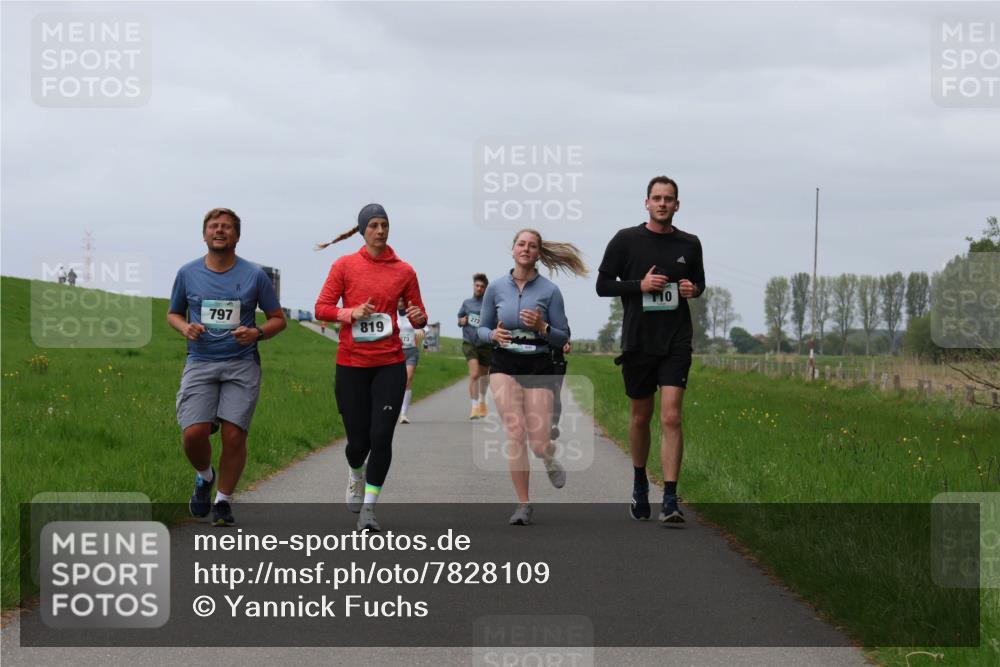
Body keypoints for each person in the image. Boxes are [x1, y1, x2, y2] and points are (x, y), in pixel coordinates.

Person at [596, 176, 705, 525]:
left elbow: (699, 284)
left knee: (672, 416)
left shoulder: (690, 243)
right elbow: (602, 286)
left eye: (668, 198)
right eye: (656, 198)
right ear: (646, 203)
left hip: (676, 340)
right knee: (641, 417)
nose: (662, 203)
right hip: (639, 341)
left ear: (677, 204)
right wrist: (639, 285)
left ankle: (670, 497)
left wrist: (692, 288)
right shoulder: (626, 240)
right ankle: (640, 481)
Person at [168, 207, 286, 527]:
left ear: (237, 235)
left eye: (227, 227)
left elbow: (279, 319)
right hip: (200, 361)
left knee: (234, 435)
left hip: (241, 364)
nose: (219, 231)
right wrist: (184, 328)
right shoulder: (187, 273)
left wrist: (257, 333)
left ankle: (222, 501)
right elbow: (173, 313)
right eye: (213, 226)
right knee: (194, 434)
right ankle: (205, 477)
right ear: (204, 233)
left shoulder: (254, 275)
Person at [314, 203, 427, 532]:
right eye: (374, 225)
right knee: (358, 443)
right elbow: (321, 308)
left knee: (381, 437)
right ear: (363, 230)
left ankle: (369, 510)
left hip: (389, 363)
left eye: (385, 225)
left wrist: (419, 317)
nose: (380, 230)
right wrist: (350, 314)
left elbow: (418, 311)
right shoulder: (344, 266)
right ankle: (355, 472)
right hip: (351, 363)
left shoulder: (404, 271)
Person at [478, 229, 587, 525]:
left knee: (539, 443)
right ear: (512, 250)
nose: (526, 249)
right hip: (504, 364)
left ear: (538, 254)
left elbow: (563, 335)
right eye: (521, 244)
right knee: (515, 433)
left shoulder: (550, 291)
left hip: (539, 366)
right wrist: (492, 334)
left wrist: (543, 326)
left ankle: (548, 456)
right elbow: (482, 329)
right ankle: (523, 505)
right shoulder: (496, 288)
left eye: (532, 246)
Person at [457, 274, 493, 419]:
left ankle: (482, 401)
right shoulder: (467, 303)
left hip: (485, 344)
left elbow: (494, 322)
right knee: (474, 374)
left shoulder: (489, 305)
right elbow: (459, 319)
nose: (479, 288)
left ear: (485, 289)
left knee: (484, 377)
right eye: (477, 285)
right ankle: (474, 407)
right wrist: (462, 321)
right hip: (469, 343)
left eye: (482, 287)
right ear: (473, 286)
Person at [396, 296, 425, 424]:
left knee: (408, 379)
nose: (400, 304)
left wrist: (421, 330)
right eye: (398, 301)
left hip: (411, 351)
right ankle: (393, 409)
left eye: (403, 301)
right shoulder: (391, 315)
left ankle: (403, 414)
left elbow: (424, 327)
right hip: (395, 352)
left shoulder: (412, 313)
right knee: (395, 382)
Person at [549, 338, 571, 440]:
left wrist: (567, 345)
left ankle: (554, 425)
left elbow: (565, 337)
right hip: (539, 361)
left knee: (556, 394)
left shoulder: (561, 323)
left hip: (557, 363)